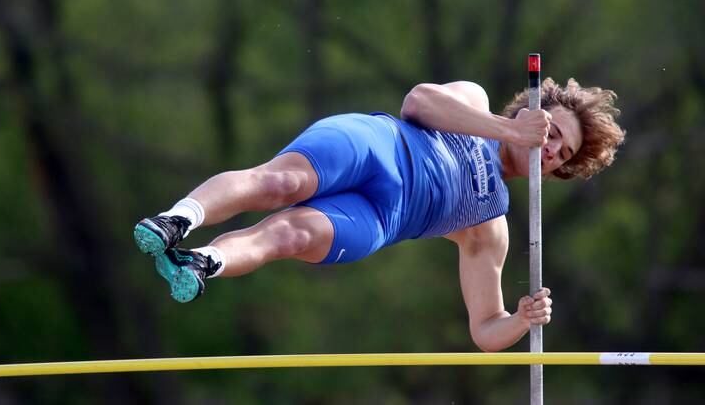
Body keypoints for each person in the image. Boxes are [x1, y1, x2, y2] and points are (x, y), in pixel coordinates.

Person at [134, 78, 625, 352]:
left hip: (381, 217)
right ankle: (178, 219)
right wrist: (507, 132)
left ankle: (200, 263)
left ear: (559, 171)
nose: (551, 148)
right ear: (530, 112)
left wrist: (521, 319)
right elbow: (418, 102)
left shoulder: (490, 227)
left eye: (562, 152)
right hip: (377, 147)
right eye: (552, 131)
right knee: (281, 183)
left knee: (288, 236)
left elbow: (486, 330)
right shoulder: (476, 103)